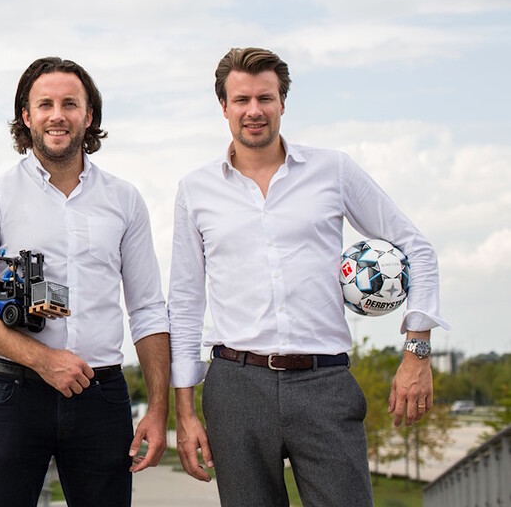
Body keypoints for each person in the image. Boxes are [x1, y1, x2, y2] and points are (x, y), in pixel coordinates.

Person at [168, 47, 450, 507]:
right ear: (224, 107)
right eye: (241, 100)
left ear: (283, 102)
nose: (253, 111)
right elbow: (183, 302)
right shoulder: (195, 189)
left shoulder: (332, 170)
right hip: (236, 387)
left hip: (324, 383)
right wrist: (185, 409)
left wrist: (417, 351)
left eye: (265, 98)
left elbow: (416, 247)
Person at [0, 56, 171, 507]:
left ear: (89, 116)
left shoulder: (125, 200)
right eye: (45, 104)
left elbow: (147, 309)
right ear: (26, 116)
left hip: (101, 397)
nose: (57, 115)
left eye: (70, 103)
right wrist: (43, 359)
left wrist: (158, 407)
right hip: (12, 394)